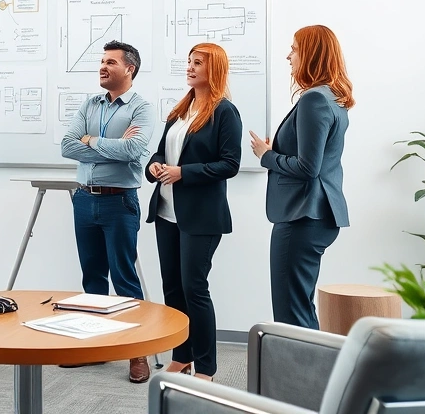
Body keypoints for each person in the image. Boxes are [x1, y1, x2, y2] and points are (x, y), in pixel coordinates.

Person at [144, 43, 242, 381]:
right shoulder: (180, 109)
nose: (189, 67)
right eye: (189, 61)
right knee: (172, 288)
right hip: (166, 212)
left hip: (201, 216)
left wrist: (183, 173)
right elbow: (160, 152)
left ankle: (206, 366)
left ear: (213, 69)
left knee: (194, 288)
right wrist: (156, 166)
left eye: (197, 62)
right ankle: (182, 356)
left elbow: (230, 164)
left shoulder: (224, 112)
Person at [60, 40, 155, 384]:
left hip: (120, 202)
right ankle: (94, 346)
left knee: (125, 278)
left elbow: (133, 150)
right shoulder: (90, 104)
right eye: (102, 61)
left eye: (110, 62)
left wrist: (90, 141)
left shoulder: (142, 109)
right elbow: (67, 146)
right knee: (92, 278)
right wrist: (109, 147)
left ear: (129, 68)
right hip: (84, 199)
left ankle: (136, 353)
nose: (102, 66)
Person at [250, 24, 354, 329]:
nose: (288, 56)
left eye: (294, 49)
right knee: (300, 307)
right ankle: (316, 362)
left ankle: (305, 363)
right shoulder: (332, 98)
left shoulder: (314, 100)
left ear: (311, 54)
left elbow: (309, 168)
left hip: (303, 215)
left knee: (291, 314)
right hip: (316, 215)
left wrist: (267, 156)